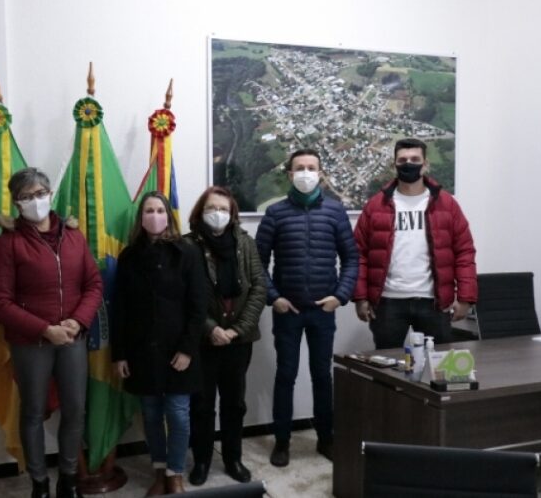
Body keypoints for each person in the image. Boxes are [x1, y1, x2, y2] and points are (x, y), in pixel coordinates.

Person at [0, 168, 103, 498]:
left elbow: (93, 284)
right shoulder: (7, 244)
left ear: (51, 194)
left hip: (72, 339)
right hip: (31, 343)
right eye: (26, 196)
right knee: (33, 412)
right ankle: (39, 482)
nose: (35, 201)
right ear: (16, 202)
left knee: (75, 409)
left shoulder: (74, 237)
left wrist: (78, 321)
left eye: (40, 193)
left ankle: (68, 477)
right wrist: (44, 329)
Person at [255, 149, 358, 465]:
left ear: (320, 173)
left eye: (311, 168)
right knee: (285, 375)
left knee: (321, 377)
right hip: (288, 311)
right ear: (289, 174)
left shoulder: (336, 211)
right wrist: (275, 298)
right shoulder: (275, 214)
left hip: (322, 311)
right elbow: (258, 263)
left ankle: (326, 438)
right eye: (299, 168)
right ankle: (282, 442)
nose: (305, 173)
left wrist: (339, 296)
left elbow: (352, 258)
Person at [112, 191, 207, 496]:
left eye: (159, 210)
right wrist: (120, 354)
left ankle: (175, 473)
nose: (154, 216)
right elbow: (120, 309)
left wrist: (187, 349)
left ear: (169, 215)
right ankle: (158, 471)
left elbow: (198, 306)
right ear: (141, 218)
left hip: (179, 350)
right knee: (151, 414)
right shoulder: (129, 256)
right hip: (141, 352)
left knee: (178, 414)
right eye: (148, 211)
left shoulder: (188, 252)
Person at [353, 137, 477, 349]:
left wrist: (466, 297)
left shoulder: (446, 204)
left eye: (414, 159)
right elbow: (358, 254)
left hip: (433, 301)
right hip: (387, 302)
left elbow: (464, 252)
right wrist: (360, 297)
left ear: (425, 164)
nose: (408, 164)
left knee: (438, 370)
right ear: (394, 165)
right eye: (402, 160)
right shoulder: (376, 206)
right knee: (387, 370)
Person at [185, 186, 266, 486]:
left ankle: (233, 458)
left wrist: (236, 330)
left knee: (235, 404)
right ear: (200, 212)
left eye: (223, 209)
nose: (217, 214)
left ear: (232, 214)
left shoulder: (245, 243)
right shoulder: (187, 245)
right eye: (211, 208)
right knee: (202, 405)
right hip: (204, 340)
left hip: (238, 340)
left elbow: (259, 287)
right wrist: (212, 329)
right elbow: (184, 296)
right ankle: (202, 460)